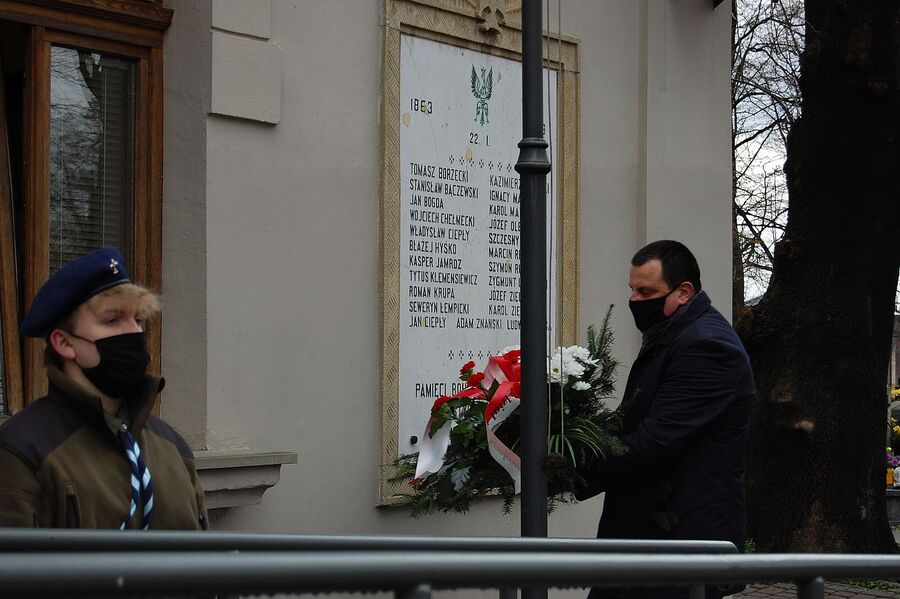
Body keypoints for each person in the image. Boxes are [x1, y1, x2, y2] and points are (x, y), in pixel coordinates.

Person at [576, 240, 755, 599]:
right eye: (632, 289)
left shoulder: (706, 347)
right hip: (648, 535)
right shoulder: (672, 336)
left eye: (647, 291)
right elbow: (632, 421)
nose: (635, 300)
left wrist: (573, 465)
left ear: (684, 291)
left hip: (678, 541)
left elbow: (653, 442)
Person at [0, 248, 208, 529]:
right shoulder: (23, 450)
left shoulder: (172, 446)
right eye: (112, 320)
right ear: (65, 343)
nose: (134, 332)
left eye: (138, 319)